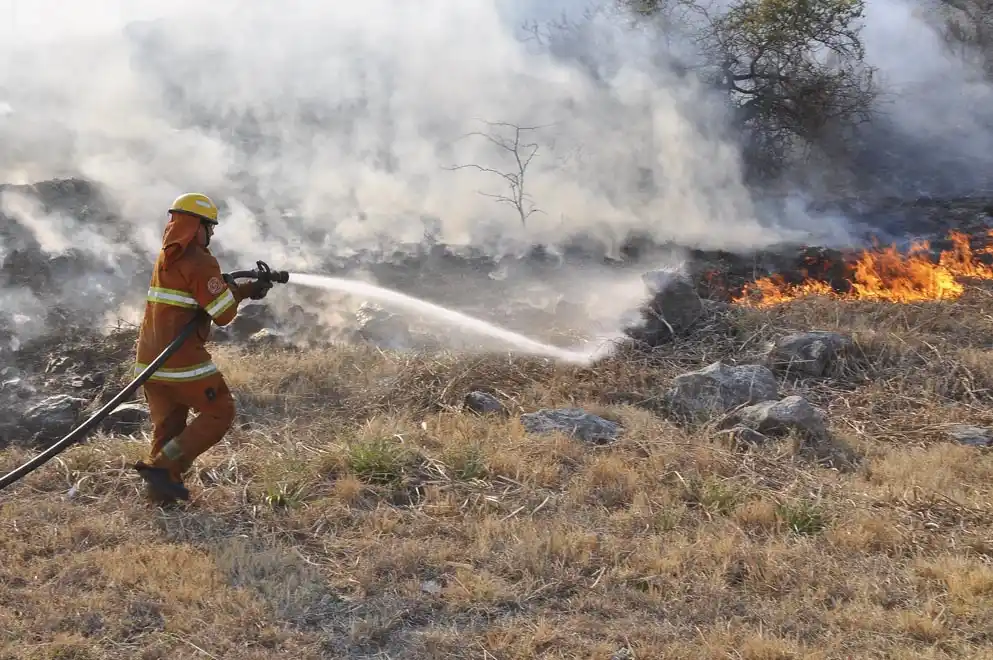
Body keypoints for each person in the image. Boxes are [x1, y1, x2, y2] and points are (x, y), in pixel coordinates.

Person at [132, 192, 271, 503]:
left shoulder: (167, 256)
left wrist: (246, 288)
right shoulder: (199, 259)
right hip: (181, 361)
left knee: (170, 426)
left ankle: (161, 492)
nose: (211, 234)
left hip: (149, 361)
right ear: (197, 226)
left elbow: (202, 297)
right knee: (219, 410)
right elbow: (222, 314)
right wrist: (239, 292)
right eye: (210, 227)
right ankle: (164, 467)